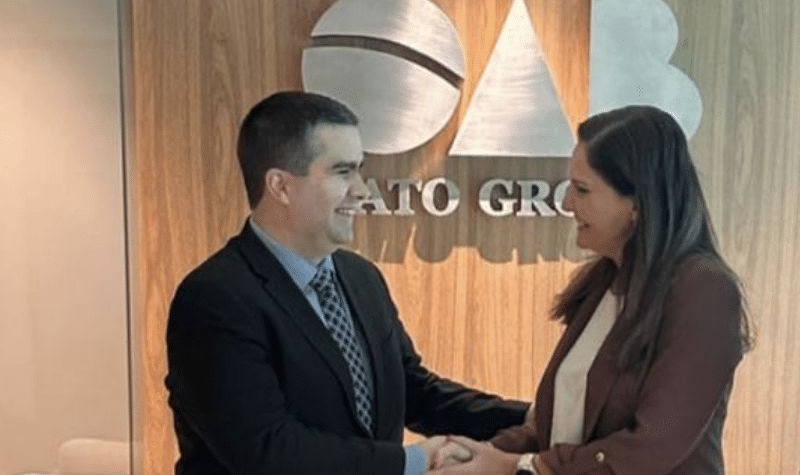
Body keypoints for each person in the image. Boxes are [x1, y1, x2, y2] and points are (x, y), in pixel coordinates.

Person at [164, 91, 528, 475]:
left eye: (359, 170)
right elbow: (267, 450)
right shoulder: (214, 299)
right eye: (343, 172)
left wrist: (532, 417)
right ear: (280, 186)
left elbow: (412, 391)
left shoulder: (361, 277)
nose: (362, 190)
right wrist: (415, 461)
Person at [429, 105, 752, 475]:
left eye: (582, 190)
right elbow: (558, 427)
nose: (567, 203)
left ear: (638, 203)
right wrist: (483, 453)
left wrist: (515, 466)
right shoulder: (602, 281)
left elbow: (651, 446)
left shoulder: (705, 291)